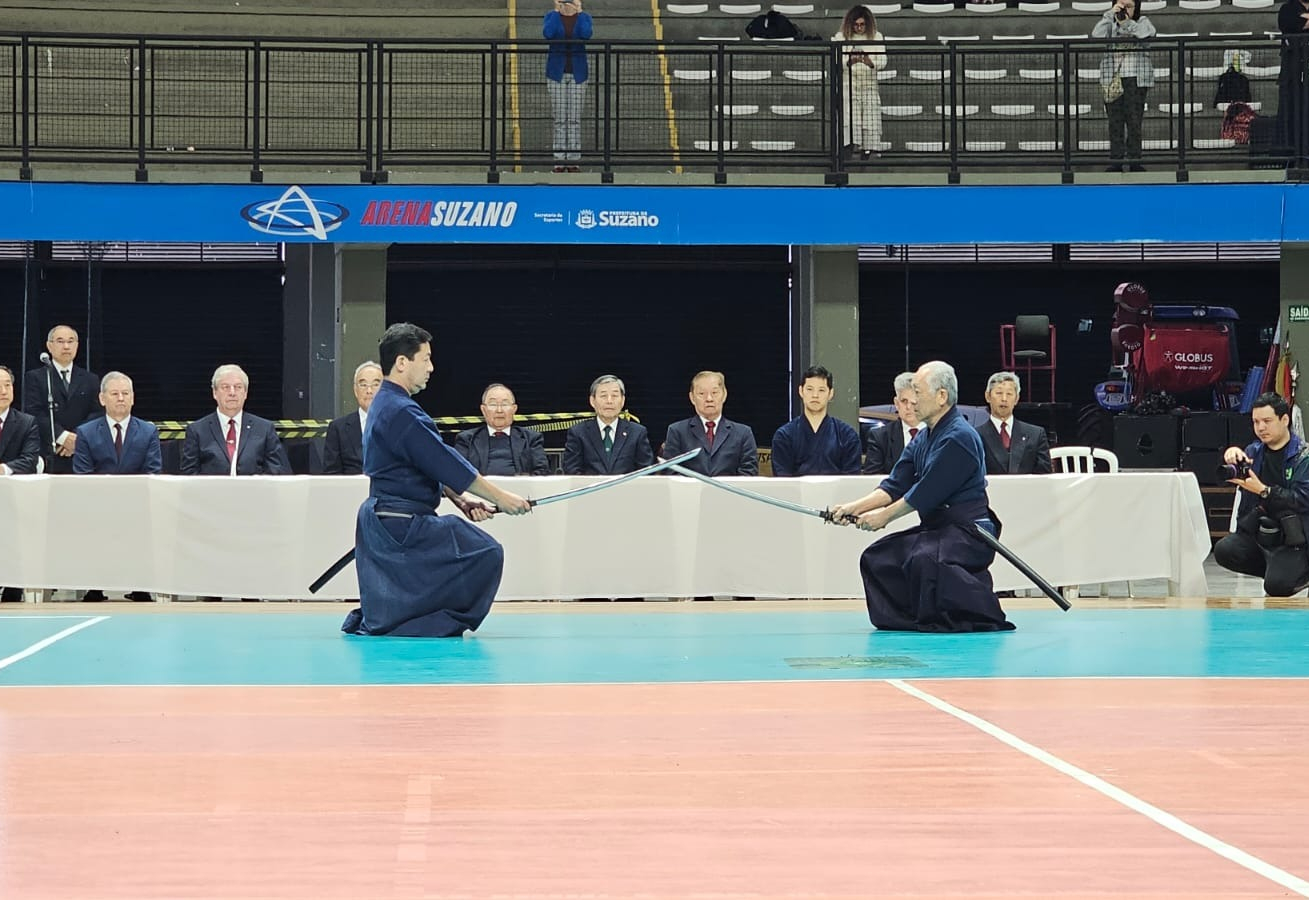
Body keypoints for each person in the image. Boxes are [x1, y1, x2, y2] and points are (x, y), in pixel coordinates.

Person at [342, 323, 532, 638]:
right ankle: (425, 622)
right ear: (402, 362)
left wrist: (460, 499)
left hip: (387, 519)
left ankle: (409, 617)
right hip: (402, 525)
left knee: (472, 551)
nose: (431, 367)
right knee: (486, 553)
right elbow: (446, 463)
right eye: (426, 359)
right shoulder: (400, 411)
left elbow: (423, 462)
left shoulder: (386, 404)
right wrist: (502, 498)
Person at [829, 361, 1014, 632]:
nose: (912, 400)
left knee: (925, 559)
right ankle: (912, 621)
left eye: (918, 392)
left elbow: (925, 492)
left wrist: (883, 518)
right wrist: (853, 507)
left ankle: (966, 616)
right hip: (939, 529)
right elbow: (895, 484)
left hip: (970, 531)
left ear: (941, 396)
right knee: (877, 557)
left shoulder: (960, 437)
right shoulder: (924, 437)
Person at [1212, 392, 1309, 596]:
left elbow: (1301, 499)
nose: (1261, 428)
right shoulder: (1253, 452)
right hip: (1261, 533)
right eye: (1256, 422)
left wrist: (1265, 491)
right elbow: (1228, 479)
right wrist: (1230, 456)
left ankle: (1293, 572)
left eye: (1267, 421)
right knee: (1225, 550)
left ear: (1284, 420)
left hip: (1295, 539)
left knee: (1277, 586)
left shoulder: (1303, 456)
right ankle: (1278, 570)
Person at [180, 364, 291, 476]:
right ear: (214, 392)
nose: (232, 393)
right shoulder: (197, 431)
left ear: (245, 393)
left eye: (238, 387)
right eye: (225, 387)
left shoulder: (265, 429)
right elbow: (189, 476)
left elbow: (277, 472)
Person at [23, 324, 100, 474]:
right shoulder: (36, 377)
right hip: (49, 451)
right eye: (60, 341)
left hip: (81, 452)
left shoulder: (90, 379)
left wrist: (76, 438)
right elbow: (33, 413)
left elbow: (96, 413)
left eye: (71, 341)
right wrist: (62, 437)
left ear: (77, 345)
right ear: (49, 346)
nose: (66, 346)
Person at [1092, 0, 1156, 172]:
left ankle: (1135, 160)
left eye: (1129, 6)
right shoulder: (1110, 23)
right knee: (1115, 122)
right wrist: (1109, 15)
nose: (1125, 9)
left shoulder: (1143, 22)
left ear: (1136, 8)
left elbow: (1146, 35)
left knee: (1134, 122)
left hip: (1136, 80)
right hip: (1113, 80)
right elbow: (1096, 35)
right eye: (1122, 5)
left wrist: (1127, 23)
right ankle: (1116, 161)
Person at [770, 365, 862, 476]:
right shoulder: (784, 436)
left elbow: (851, 480)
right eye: (809, 389)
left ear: (830, 394)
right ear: (801, 391)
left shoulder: (847, 436)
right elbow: (783, 480)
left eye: (821, 390)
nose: (815, 395)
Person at [663, 371, 758, 477]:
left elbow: (749, 472)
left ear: (724, 395)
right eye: (701, 394)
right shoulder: (677, 431)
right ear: (692, 398)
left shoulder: (743, 433)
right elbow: (670, 472)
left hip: (728, 488)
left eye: (714, 393)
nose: (709, 399)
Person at [0, 365, 40, 602]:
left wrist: (3, 469)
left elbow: (30, 459)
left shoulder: (26, 422)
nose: (3, 391)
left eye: (7, 385)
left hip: (13, 496)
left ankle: (12, 588)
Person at [72, 372, 162, 475]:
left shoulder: (148, 432)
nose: (121, 398)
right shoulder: (86, 433)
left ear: (132, 398)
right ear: (102, 399)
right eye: (114, 394)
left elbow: (153, 474)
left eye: (125, 393)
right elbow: (83, 475)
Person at [562, 375, 654, 475]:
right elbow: (571, 470)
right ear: (592, 401)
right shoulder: (578, 433)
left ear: (623, 400)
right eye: (603, 396)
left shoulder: (637, 433)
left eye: (614, 396)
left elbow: (646, 471)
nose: (609, 401)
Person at [454, 383, 550, 476]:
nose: (499, 410)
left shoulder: (531, 438)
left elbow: (542, 471)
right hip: (480, 487)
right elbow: (458, 472)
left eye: (505, 404)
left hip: (519, 486)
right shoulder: (466, 440)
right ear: (483, 410)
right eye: (493, 404)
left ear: (514, 409)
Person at [832, 5, 887, 162]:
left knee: (871, 116)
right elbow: (836, 60)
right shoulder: (841, 37)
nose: (859, 28)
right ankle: (849, 150)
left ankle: (869, 151)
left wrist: (870, 62)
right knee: (849, 117)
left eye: (862, 24)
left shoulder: (876, 37)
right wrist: (850, 61)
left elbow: (883, 60)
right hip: (848, 82)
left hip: (869, 83)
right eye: (856, 25)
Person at [544, 0, 592, 173]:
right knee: (559, 118)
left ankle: (573, 160)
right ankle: (559, 160)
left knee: (574, 118)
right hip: (556, 73)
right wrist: (556, 12)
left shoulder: (585, 17)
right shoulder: (551, 16)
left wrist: (579, 12)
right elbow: (548, 33)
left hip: (578, 73)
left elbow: (586, 34)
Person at [977, 371, 1052, 475]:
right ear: (988, 396)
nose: (1004, 399)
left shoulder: (1036, 434)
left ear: (1016, 399)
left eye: (1009, 394)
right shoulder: (976, 435)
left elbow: (1045, 476)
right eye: (999, 393)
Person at [323, 361, 383, 475]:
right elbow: (331, 476)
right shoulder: (338, 428)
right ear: (355, 390)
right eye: (363, 385)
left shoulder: (397, 424)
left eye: (375, 385)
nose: (369, 391)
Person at [863, 371, 922, 476]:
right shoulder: (880, 437)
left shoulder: (938, 433)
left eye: (914, 402)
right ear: (896, 403)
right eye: (904, 401)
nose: (909, 407)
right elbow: (872, 478)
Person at [1277, 0, 1309, 158]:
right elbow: (1290, 24)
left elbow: (1300, 24)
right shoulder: (1287, 8)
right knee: (1292, 112)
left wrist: (1304, 19)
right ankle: (1293, 156)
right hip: (1292, 72)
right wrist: (1302, 22)